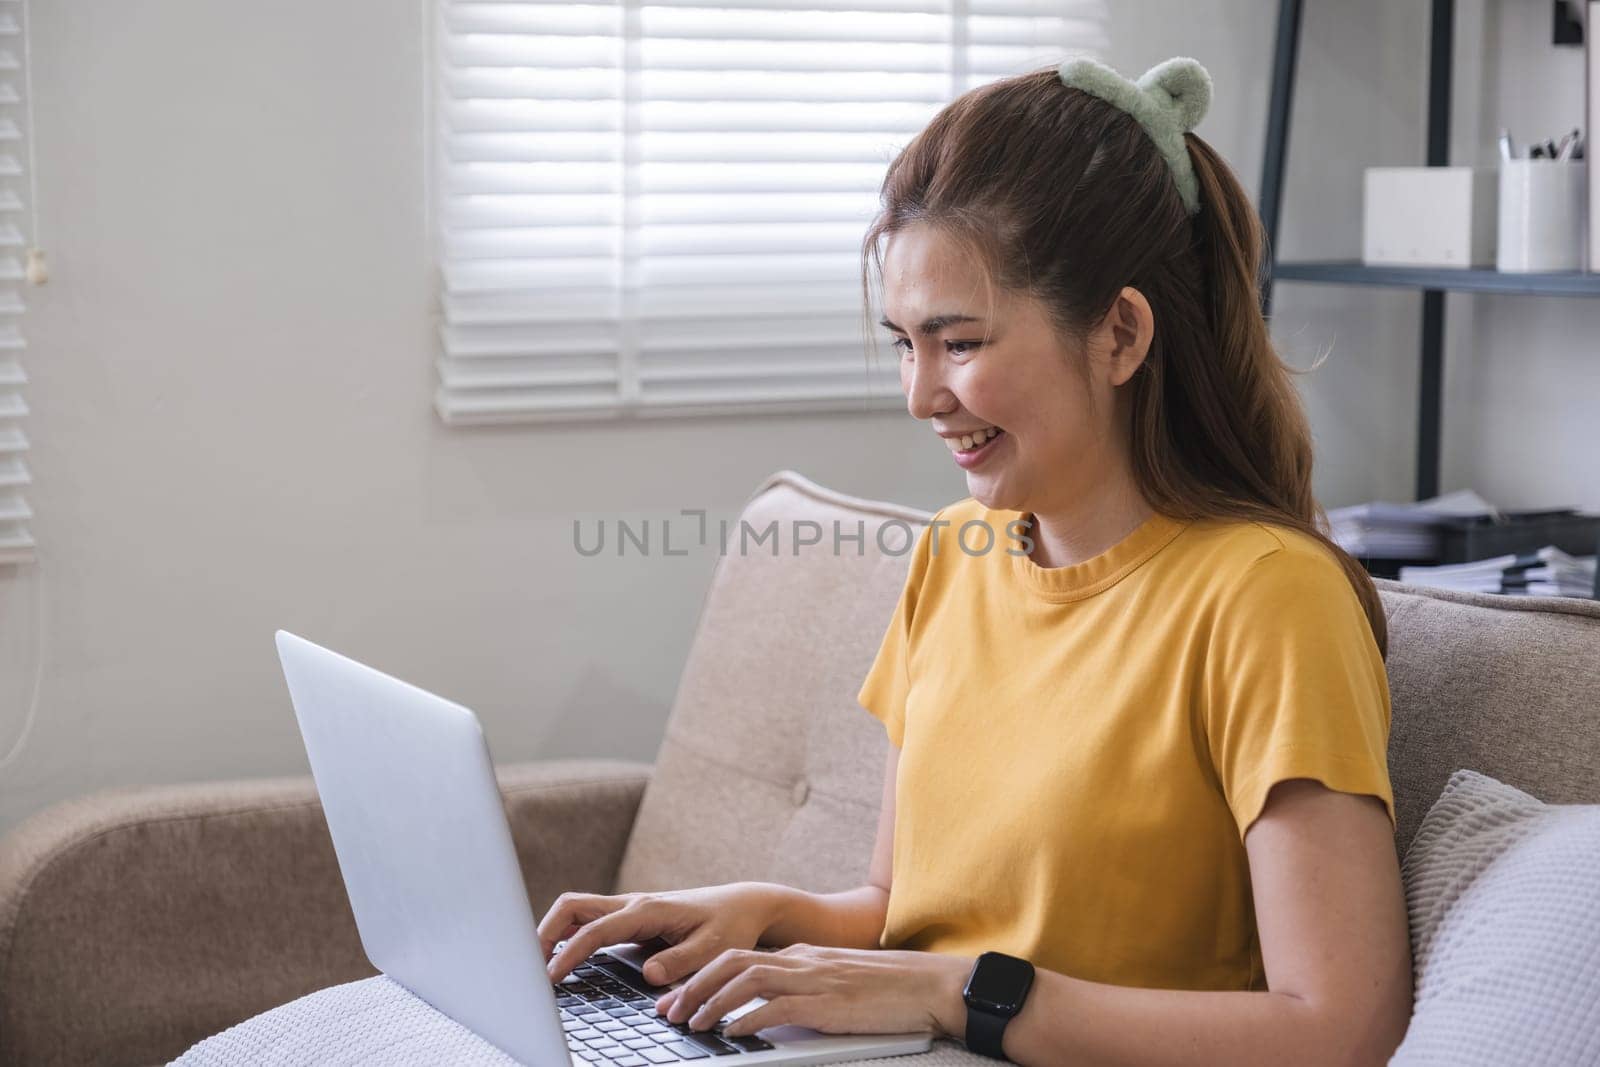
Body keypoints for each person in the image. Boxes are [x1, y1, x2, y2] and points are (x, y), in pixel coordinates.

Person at [539, 55, 1413, 1066]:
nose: (919, 394)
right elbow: (898, 908)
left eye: (957, 342)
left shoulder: (1268, 597)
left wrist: (967, 995)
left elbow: (1340, 1026)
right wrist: (759, 913)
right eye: (904, 343)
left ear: (1121, 332)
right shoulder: (956, 554)